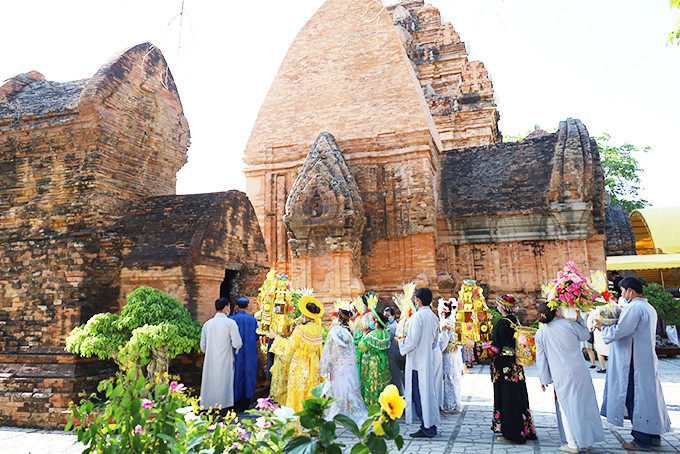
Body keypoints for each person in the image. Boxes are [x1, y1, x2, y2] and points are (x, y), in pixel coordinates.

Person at [595, 277, 671, 451]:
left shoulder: (634, 308)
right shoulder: (648, 307)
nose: (622, 295)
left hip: (633, 362)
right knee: (649, 399)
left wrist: (603, 328)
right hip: (644, 361)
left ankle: (641, 440)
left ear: (630, 291)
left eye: (622, 292)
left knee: (634, 399)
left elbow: (621, 330)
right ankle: (653, 436)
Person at [465, 293, 536, 444]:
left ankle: (512, 433)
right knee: (517, 397)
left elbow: (495, 348)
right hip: (514, 365)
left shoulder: (503, 323)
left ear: (502, 307)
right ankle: (522, 429)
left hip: (504, 366)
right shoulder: (514, 320)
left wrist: (475, 346)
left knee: (508, 398)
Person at [535, 303, 605, 453]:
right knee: (586, 403)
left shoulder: (541, 333)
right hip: (579, 370)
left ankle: (573, 443)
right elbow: (586, 335)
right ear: (556, 312)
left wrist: (544, 379)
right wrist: (579, 319)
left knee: (567, 407)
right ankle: (587, 440)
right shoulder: (568, 324)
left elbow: (541, 358)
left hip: (560, 374)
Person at [397, 287, 441, 438]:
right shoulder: (434, 317)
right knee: (428, 393)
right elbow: (435, 342)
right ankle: (430, 424)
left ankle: (426, 426)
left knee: (419, 395)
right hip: (428, 360)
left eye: (415, 300)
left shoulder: (417, 317)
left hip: (417, 362)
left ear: (419, 300)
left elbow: (412, 341)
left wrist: (400, 343)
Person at [320, 306, 367, 422]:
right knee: (348, 385)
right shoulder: (349, 333)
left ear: (339, 318)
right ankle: (347, 409)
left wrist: (327, 366)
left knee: (337, 386)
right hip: (347, 364)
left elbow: (329, 350)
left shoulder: (334, 331)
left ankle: (338, 410)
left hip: (337, 364)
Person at [200, 297, 243, 413]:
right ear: (225, 308)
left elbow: (203, 347)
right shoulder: (230, 323)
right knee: (224, 384)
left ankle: (208, 408)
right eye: (228, 307)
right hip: (225, 359)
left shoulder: (207, 324)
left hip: (210, 361)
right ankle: (223, 409)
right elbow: (237, 343)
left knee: (209, 383)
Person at [285, 296, 325, 412]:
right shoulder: (318, 329)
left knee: (298, 391)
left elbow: (289, 347)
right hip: (314, 364)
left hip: (300, 363)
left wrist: (277, 340)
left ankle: (298, 422)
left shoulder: (300, 329)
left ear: (305, 314)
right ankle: (312, 424)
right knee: (312, 390)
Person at [230, 296, 259, 412]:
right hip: (250, 351)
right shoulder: (253, 320)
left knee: (235, 374)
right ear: (247, 306)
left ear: (236, 306)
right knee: (249, 375)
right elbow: (257, 335)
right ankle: (246, 403)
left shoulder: (231, 319)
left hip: (235, 351)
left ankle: (234, 401)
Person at [358, 309, 392, 407]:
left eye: (373, 320)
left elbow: (362, 348)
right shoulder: (386, 334)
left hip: (373, 363)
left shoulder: (371, 335)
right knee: (383, 384)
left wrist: (363, 336)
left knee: (373, 384)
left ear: (376, 322)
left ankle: (372, 406)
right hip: (384, 362)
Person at [438, 298, 463, 413]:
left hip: (448, 354)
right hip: (455, 353)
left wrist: (437, 350)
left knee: (448, 378)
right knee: (454, 378)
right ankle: (455, 403)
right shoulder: (453, 322)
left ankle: (450, 405)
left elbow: (443, 341)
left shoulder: (446, 324)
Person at [383, 306, 405, 394]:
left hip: (393, 354)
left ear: (393, 316)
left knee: (396, 377)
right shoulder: (392, 326)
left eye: (388, 315)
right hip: (392, 354)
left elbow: (386, 340)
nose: (386, 318)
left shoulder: (392, 327)